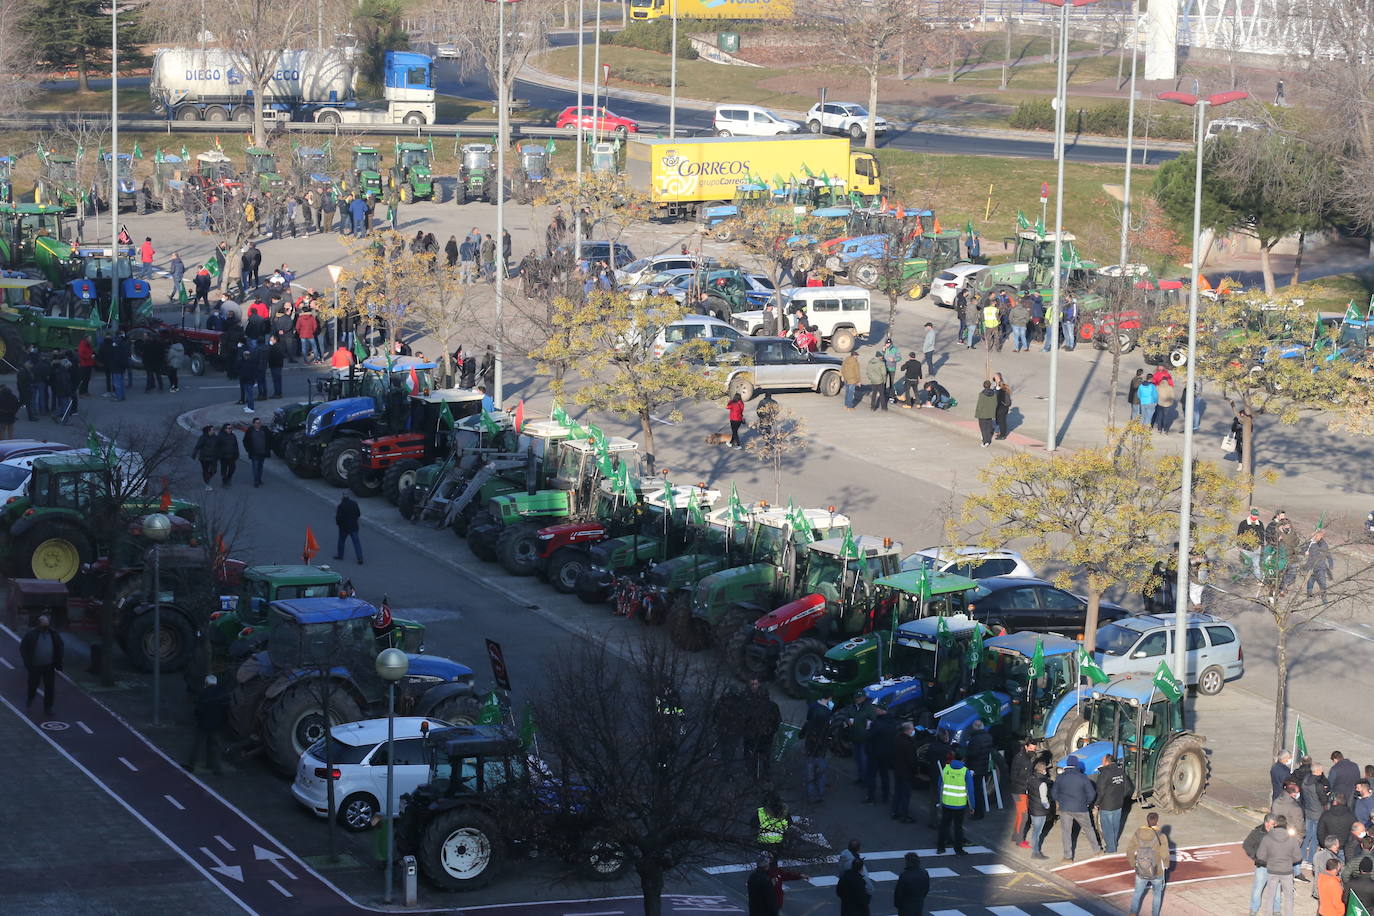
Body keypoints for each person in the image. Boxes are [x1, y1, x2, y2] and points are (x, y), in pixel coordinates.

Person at [1054, 755, 1101, 862]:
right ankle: (1096, 851)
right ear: (1076, 765)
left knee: (1066, 832)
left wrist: (1061, 801)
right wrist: (1087, 803)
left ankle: (1067, 857)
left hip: (1065, 808)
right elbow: (1092, 793)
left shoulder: (1060, 777)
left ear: (1067, 765)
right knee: (1089, 829)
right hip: (1081, 808)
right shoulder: (1083, 777)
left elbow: (1054, 793)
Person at [1124, 812, 1169, 916]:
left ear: (1147, 821)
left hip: (1141, 869)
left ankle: (1132, 914)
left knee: (1137, 893)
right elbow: (1165, 854)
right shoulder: (1161, 836)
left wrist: (1133, 864)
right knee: (1157, 895)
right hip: (1157, 871)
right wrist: (1166, 865)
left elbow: (1129, 850)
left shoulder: (1138, 832)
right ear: (1157, 822)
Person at [1258, 814, 1303, 915]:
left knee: (1270, 896)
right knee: (1289, 897)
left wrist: (1269, 860)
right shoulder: (1291, 839)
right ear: (1285, 824)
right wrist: (1289, 861)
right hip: (1287, 871)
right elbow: (1298, 857)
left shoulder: (1267, 837)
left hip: (1272, 870)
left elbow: (1260, 855)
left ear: (1275, 824)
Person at [20, 614, 63, 717]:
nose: (45, 627)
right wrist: (28, 663)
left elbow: (60, 647)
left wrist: (58, 663)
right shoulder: (31, 635)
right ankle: (30, 698)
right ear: (39, 625)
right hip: (35, 666)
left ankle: (48, 708)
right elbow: (23, 648)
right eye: (44, 625)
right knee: (33, 685)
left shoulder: (54, 635)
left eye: (47, 625)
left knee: (50, 688)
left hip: (49, 666)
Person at [184, 674, 229, 775]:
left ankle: (191, 765)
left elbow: (198, 710)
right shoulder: (222, 692)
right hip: (217, 724)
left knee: (197, 745)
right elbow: (226, 709)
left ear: (206, 683)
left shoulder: (203, 693)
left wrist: (198, 719)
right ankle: (216, 768)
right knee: (216, 746)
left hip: (203, 724)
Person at [1095, 753, 1134, 854]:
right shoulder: (1120, 771)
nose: (1101, 762)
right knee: (1115, 826)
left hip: (1107, 805)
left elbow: (1101, 791)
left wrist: (1097, 803)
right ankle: (1114, 843)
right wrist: (1121, 796)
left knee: (1107, 827)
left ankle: (1111, 848)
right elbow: (1128, 788)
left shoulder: (1104, 774)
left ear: (1107, 761)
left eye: (1102, 760)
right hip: (1118, 803)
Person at [937, 751, 974, 855]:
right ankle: (958, 849)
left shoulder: (946, 769)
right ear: (963, 759)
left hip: (946, 802)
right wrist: (972, 806)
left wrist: (939, 801)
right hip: (959, 804)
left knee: (944, 825)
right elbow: (970, 790)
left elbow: (940, 786)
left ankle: (940, 847)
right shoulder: (965, 771)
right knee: (958, 827)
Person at [1245, 814, 1281, 916]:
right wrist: (1256, 857)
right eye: (1272, 824)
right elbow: (1247, 845)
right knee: (1258, 889)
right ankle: (1254, 909)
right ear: (1266, 823)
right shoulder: (1257, 833)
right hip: (1262, 867)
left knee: (1277, 890)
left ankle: (1276, 910)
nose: (1274, 826)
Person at [801, 694, 833, 804]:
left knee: (810, 774)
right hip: (821, 752)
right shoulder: (826, 727)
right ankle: (820, 793)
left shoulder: (809, 724)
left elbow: (800, 734)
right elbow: (830, 737)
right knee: (821, 773)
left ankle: (811, 795)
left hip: (810, 751)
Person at [962, 718, 996, 819]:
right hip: (983, 766)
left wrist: (965, 754)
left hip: (974, 767)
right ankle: (979, 812)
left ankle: (977, 813)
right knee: (979, 790)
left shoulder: (974, 739)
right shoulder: (988, 737)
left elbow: (972, 754)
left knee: (975, 791)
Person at [1009, 737, 1038, 847]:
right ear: (1026, 747)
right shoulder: (1020, 758)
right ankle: (1019, 840)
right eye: (1031, 748)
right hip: (1019, 790)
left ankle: (1015, 835)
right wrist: (1027, 782)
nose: (1033, 751)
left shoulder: (1026, 757)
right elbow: (1014, 776)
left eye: (1034, 749)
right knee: (1024, 815)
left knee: (1020, 814)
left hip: (1021, 789)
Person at [892, 720, 918, 823]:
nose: (913, 730)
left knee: (898, 792)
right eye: (912, 729)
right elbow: (912, 760)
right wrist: (915, 771)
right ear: (908, 730)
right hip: (906, 772)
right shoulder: (908, 744)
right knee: (905, 794)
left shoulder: (897, 739)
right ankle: (904, 815)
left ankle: (895, 811)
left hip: (898, 770)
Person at [1027, 758, 1053, 859]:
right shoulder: (1043, 784)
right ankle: (1035, 852)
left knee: (1034, 830)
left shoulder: (1031, 779)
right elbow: (1044, 800)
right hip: (1040, 811)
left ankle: (1035, 849)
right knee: (1037, 832)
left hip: (1033, 809)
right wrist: (1048, 806)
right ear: (1043, 770)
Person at [893, 852, 929, 916]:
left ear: (909, 862)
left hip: (905, 906)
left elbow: (899, 893)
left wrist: (898, 904)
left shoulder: (904, 876)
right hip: (918, 904)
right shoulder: (924, 873)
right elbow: (926, 889)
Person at [335, 493, 364, 563]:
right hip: (354, 526)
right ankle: (360, 558)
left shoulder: (341, 506)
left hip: (344, 528)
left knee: (341, 541)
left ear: (342, 498)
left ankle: (340, 555)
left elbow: (338, 518)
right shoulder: (354, 503)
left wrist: (339, 524)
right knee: (356, 543)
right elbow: (358, 514)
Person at [244, 417, 271, 488]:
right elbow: (245, 441)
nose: (259, 424)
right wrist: (248, 450)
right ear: (253, 424)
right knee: (255, 467)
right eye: (257, 423)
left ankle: (259, 479)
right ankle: (256, 481)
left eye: (259, 422)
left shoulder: (264, 430)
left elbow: (270, 439)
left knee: (260, 467)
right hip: (254, 453)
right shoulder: (250, 431)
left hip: (263, 452)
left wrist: (268, 448)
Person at [1305, 530, 1334, 599]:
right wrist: (1305, 552)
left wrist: (1331, 563)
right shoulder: (1310, 543)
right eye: (1316, 535)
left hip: (1320, 566)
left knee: (1322, 582)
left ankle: (1324, 596)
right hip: (1311, 566)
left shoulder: (1324, 545)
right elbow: (1303, 549)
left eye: (1319, 535)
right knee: (1310, 581)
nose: (1317, 536)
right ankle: (1309, 595)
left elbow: (1328, 554)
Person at [215, 423, 240, 488]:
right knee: (224, 470)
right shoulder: (220, 436)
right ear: (225, 429)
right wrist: (218, 454)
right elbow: (216, 446)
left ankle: (229, 478)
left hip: (232, 456)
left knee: (232, 468)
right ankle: (224, 481)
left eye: (231, 428)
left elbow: (236, 446)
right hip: (223, 457)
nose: (230, 429)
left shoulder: (233, 436)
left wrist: (237, 453)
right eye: (229, 428)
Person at [975, 380, 998, 447]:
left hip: (982, 414)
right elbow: (995, 403)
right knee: (988, 427)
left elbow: (979, 405)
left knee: (983, 428)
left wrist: (977, 414)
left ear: (983, 386)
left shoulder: (982, 394)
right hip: (990, 413)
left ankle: (985, 441)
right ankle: (988, 440)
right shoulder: (994, 394)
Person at [993, 372, 1012, 440]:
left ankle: (1003, 435)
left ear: (999, 378)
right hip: (1002, 407)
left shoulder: (1001, 387)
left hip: (1002, 407)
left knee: (1002, 422)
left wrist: (996, 390)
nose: (994, 378)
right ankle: (1001, 433)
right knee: (1000, 421)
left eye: (995, 377)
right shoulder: (1001, 386)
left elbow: (998, 396)